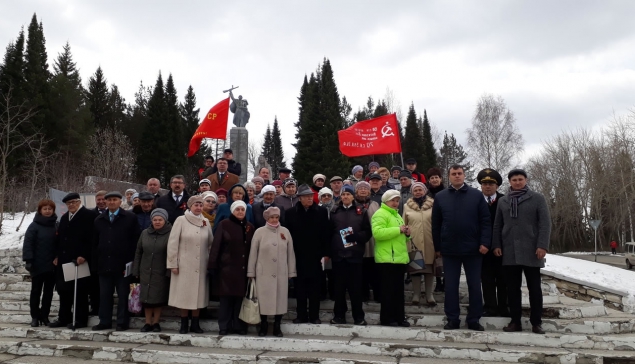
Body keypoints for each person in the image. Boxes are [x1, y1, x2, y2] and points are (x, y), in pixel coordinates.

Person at [432, 165, 490, 332]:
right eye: (453, 174)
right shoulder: (441, 197)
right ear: (448, 176)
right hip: (449, 250)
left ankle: (474, 319)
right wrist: (438, 246)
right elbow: (436, 224)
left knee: (474, 285)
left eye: (459, 174)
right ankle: (452, 319)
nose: (457, 176)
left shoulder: (476, 195)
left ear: (464, 176)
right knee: (450, 286)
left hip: (473, 250)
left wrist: (485, 243)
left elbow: (485, 221)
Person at [493, 169, 551, 335]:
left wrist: (542, 245)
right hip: (509, 250)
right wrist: (496, 244)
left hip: (532, 250)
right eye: (514, 180)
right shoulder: (503, 201)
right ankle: (515, 321)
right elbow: (498, 225)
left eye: (520, 179)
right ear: (509, 182)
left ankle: (536, 322)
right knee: (512, 289)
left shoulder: (537, 198)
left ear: (525, 180)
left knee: (534, 288)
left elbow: (545, 224)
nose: (517, 182)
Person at [92, 191, 140, 331]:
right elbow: (94, 244)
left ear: (120, 201)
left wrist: (132, 262)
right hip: (104, 264)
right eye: (109, 200)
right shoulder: (99, 220)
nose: (112, 202)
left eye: (115, 200)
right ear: (105, 202)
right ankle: (104, 321)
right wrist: (95, 264)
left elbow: (135, 241)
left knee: (123, 295)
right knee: (105, 295)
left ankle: (122, 322)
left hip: (123, 265)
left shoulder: (130, 218)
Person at [50, 193, 98, 329]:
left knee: (80, 291)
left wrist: (85, 255)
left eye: (73, 202)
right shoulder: (65, 218)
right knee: (64, 291)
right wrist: (56, 256)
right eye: (68, 203)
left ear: (79, 202)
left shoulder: (89, 216)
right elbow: (59, 239)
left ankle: (80, 320)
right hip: (64, 260)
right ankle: (63, 317)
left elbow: (93, 239)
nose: (71, 205)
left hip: (80, 261)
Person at [248, 207, 297, 337]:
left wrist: (291, 271)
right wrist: (251, 272)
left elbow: (290, 253)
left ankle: (277, 325)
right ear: (267, 218)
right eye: (272, 217)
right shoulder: (259, 232)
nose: (274, 220)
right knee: (263, 300)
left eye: (277, 217)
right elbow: (253, 253)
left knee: (280, 299)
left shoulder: (285, 232)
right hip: (263, 273)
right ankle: (263, 324)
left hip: (281, 272)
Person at [167, 196, 213, 334]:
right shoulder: (181, 220)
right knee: (184, 295)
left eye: (200, 205)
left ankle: (195, 323)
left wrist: (210, 262)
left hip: (201, 264)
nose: (198, 207)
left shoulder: (205, 222)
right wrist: (172, 263)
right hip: (184, 265)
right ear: (190, 206)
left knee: (198, 295)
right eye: (196, 205)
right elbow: (172, 243)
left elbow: (210, 243)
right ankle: (183, 323)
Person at [327, 185, 372, 325]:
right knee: (339, 289)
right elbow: (329, 233)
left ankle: (358, 317)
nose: (345, 196)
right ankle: (339, 316)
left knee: (355, 289)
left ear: (353, 196)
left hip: (355, 256)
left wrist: (356, 237)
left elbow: (368, 232)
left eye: (348, 194)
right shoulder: (334, 211)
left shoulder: (361, 211)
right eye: (343, 194)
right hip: (339, 256)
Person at [285, 184, 330, 324]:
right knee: (300, 288)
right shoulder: (290, 212)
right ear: (300, 198)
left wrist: (326, 253)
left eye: (311, 196)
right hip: (298, 255)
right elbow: (288, 234)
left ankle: (314, 316)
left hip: (316, 256)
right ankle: (301, 315)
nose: (310, 198)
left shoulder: (321, 211)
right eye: (307, 197)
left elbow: (326, 234)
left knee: (315, 288)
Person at [209, 200, 255, 335]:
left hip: (243, 268)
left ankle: (239, 326)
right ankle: (224, 326)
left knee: (239, 299)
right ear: (232, 211)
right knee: (226, 300)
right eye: (238, 210)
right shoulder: (224, 224)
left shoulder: (249, 226)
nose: (240, 212)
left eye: (243, 210)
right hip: (226, 269)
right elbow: (216, 245)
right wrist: (213, 265)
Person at [372, 190, 410, 327]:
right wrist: (398, 230)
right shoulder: (380, 214)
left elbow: (400, 235)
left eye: (397, 200)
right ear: (385, 201)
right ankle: (387, 318)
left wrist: (407, 234)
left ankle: (400, 317)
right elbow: (377, 233)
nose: (395, 203)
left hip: (398, 258)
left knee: (398, 292)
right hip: (387, 259)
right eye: (393, 200)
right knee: (388, 292)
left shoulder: (397, 215)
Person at [133, 208, 172, 332]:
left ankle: (156, 322)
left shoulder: (171, 233)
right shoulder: (145, 233)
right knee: (146, 298)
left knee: (158, 298)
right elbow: (138, 252)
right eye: (155, 220)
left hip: (161, 270)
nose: (157, 222)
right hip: (145, 270)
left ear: (165, 221)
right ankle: (147, 322)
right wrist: (136, 270)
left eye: (160, 220)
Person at [477, 168, 509, 318]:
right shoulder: (476, 201)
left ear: (497, 186)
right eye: (485, 184)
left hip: (502, 247)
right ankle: (490, 306)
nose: (488, 186)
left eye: (491, 184)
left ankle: (504, 306)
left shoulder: (504, 200)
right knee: (486, 278)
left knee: (503, 278)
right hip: (482, 247)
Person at [23, 199, 58, 327]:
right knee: (36, 292)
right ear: (40, 210)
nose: (47, 211)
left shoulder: (56, 225)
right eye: (45, 209)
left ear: (53, 210)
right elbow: (28, 244)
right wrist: (28, 260)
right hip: (37, 265)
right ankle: (35, 317)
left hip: (52, 265)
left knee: (48, 293)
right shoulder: (34, 226)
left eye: (50, 209)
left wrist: (58, 256)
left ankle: (45, 316)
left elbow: (60, 243)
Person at [402, 182, 437, 306]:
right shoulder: (407, 206)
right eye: (415, 190)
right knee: (415, 270)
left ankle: (429, 295)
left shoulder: (433, 204)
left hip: (430, 241)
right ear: (412, 192)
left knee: (429, 269)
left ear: (425, 191)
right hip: (413, 241)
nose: (418, 192)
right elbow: (404, 224)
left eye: (420, 190)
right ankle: (416, 294)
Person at [355, 181, 381, 303]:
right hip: (359, 241)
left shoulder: (375, 204)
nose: (363, 190)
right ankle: (363, 294)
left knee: (375, 271)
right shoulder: (353, 204)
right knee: (361, 272)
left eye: (366, 188)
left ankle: (377, 294)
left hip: (374, 240)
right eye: (361, 188)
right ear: (356, 191)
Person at [319, 187, 335, 301]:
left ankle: (333, 293)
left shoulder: (336, 209)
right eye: (324, 196)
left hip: (334, 243)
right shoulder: (316, 209)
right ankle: (322, 294)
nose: (326, 198)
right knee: (321, 272)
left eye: (328, 196)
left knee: (333, 273)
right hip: (320, 244)